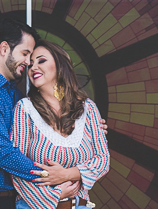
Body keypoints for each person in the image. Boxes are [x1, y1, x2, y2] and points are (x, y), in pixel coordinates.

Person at [0, 18, 78, 209]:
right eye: (25, 54)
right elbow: (1, 152)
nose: (28, 63)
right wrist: (49, 177)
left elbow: (44, 134)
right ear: (4, 48)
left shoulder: (14, 95)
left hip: (10, 199)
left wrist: (83, 124)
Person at [11, 41, 110, 209]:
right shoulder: (24, 109)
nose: (33, 68)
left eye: (41, 60)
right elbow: (15, 165)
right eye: (31, 64)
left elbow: (103, 160)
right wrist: (53, 195)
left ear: (60, 65)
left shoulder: (88, 108)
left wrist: (67, 174)